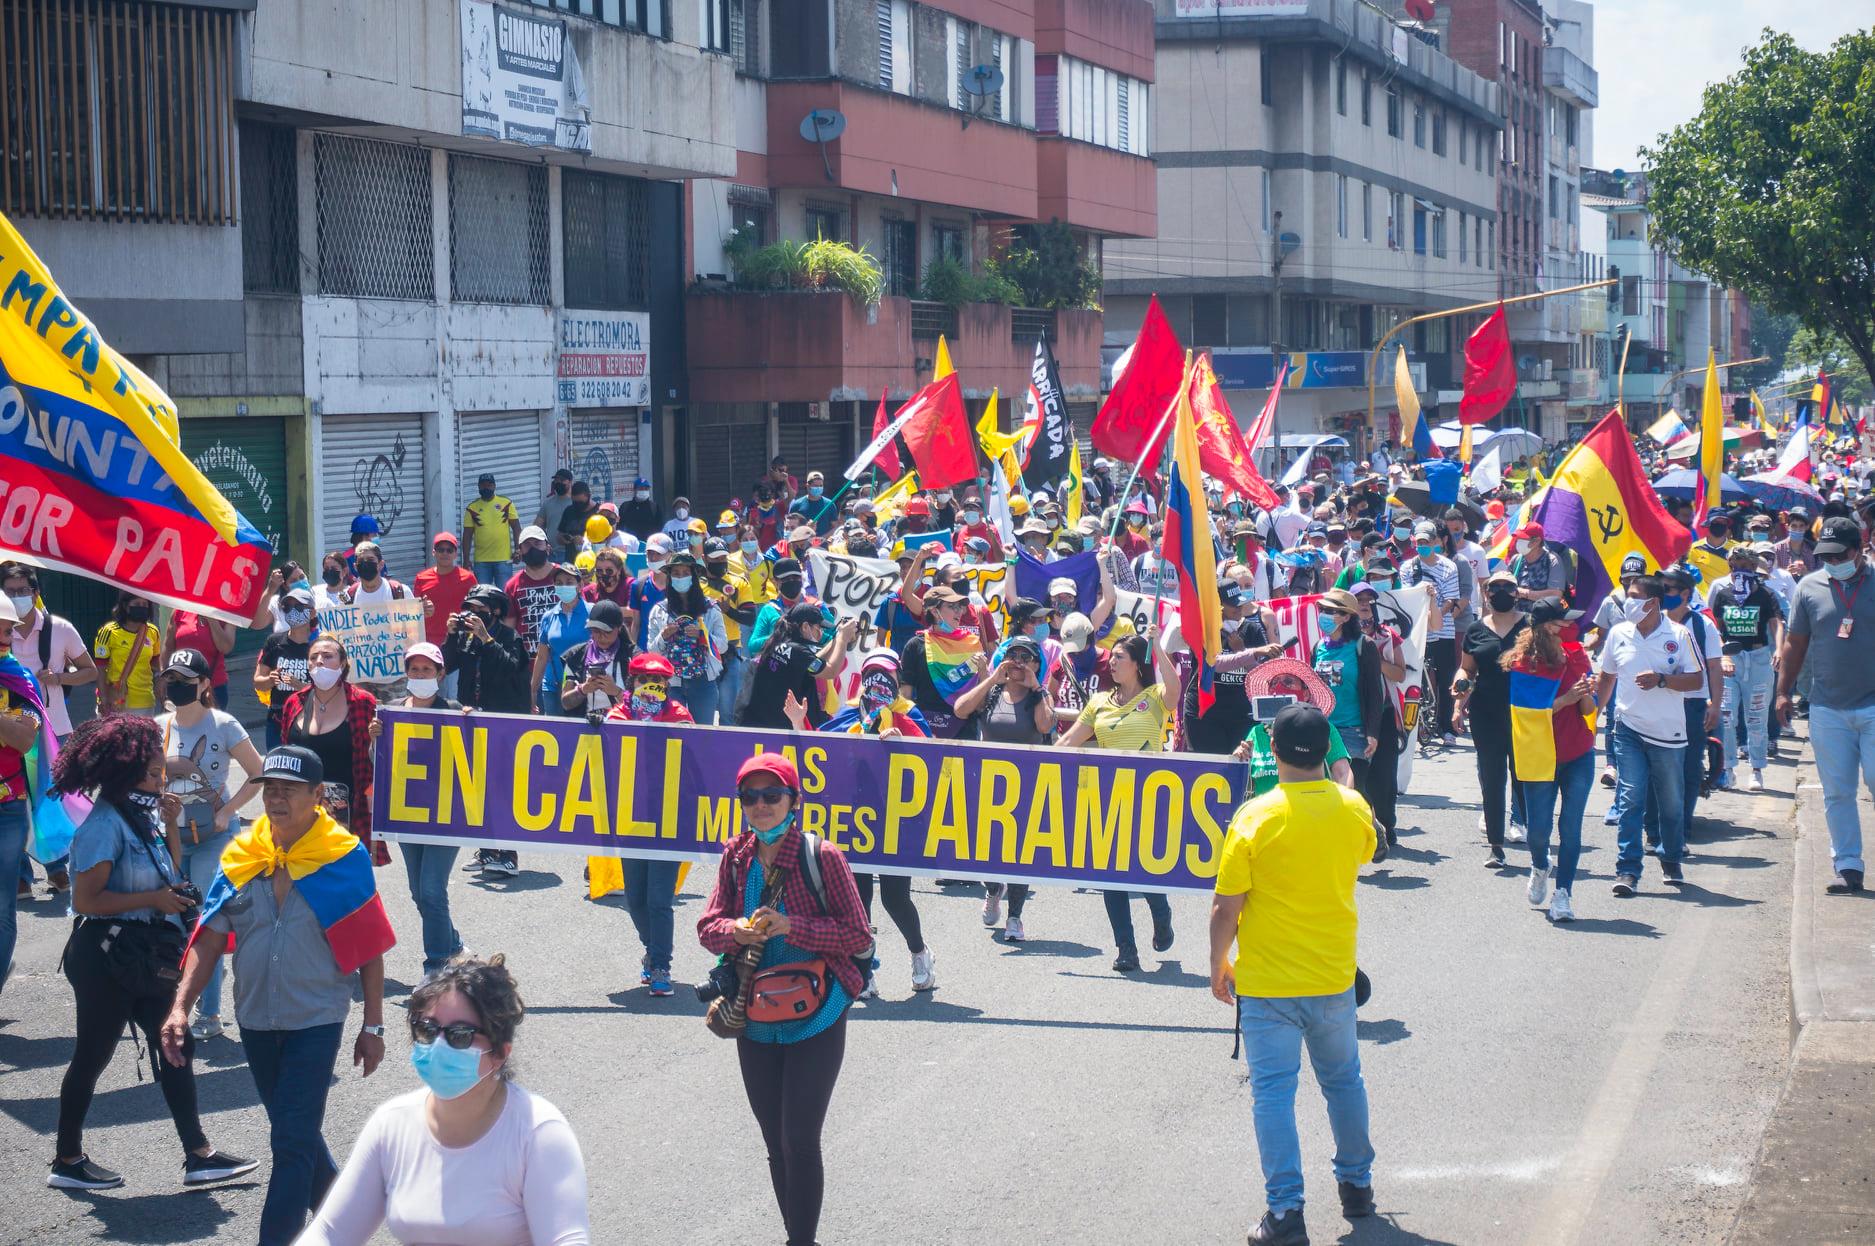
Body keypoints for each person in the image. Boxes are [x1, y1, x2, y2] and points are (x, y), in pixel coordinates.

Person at [161, 745, 392, 1245]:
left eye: (290, 789)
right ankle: (347, 1226)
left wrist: (372, 1025)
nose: (277, 798)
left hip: (317, 1020)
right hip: (256, 1022)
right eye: (270, 789)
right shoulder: (242, 855)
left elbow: (369, 947)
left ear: (318, 795)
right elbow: (209, 937)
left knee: (289, 1142)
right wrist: (180, 1007)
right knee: (297, 1135)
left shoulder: (343, 856)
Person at [47, 713, 258, 1192]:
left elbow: (170, 875)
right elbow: (86, 900)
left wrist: (172, 829)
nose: (161, 780)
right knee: (92, 1056)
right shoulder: (104, 824)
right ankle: (67, 1159)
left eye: (162, 771)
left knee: (175, 1041)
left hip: (140, 956)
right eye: (152, 773)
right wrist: (153, 900)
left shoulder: (140, 817)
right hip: (106, 957)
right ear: (124, 774)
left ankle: (198, 1156)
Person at [1210, 704, 1377, 1246]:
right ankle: (1357, 1184)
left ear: (1273, 751)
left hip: (1268, 983)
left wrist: (1217, 966)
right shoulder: (1353, 808)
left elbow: (1225, 908)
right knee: (1344, 1082)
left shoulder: (1254, 816)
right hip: (1333, 975)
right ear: (1326, 752)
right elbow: (1366, 850)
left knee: (1274, 1096)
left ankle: (1285, 1212)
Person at [697, 753, 873, 1246]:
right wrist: (735, 931)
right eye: (750, 796)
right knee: (775, 1141)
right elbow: (708, 926)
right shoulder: (736, 857)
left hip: (819, 1012)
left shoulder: (823, 857)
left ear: (794, 801)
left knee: (800, 1139)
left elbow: (858, 934)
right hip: (753, 1016)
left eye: (772, 795)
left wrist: (793, 927)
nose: (761, 805)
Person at [295, 955, 590, 1245]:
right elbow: (330, 1232)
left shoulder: (538, 1133)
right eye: (427, 1030)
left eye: (460, 1035)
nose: (438, 1045)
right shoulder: (392, 1125)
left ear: (500, 1053)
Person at [786, 650, 936, 992]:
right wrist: (799, 724)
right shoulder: (850, 712)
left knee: (895, 898)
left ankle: (919, 952)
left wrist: (902, 742)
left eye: (886, 675)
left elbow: (931, 755)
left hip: (894, 820)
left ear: (897, 679)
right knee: (857, 897)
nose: (878, 683)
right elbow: (820, 751)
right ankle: (863, 969)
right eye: (872, 675)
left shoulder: (908, 714)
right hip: (855, 819)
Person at [156, 648, 266, 1041]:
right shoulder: (158, 727)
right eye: (171, 679)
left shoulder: (223, 724)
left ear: (204, 684)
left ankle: (210, 1013)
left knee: (204, 924)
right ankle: (174, 1005)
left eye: (185, 680)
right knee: (171, 923)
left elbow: (258, 773)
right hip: (171, 840)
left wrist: (228, 811)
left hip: (214, 838)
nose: (176, 686)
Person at [1059, 629, 1179, 972]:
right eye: (1110, 656)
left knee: (1143, 869)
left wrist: (1158, 646)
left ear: (1138, 665)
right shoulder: (1098, 702)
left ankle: (1161, 914)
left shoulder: (1155, 697)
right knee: (1110, 875)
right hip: (1107, 799)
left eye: (1119, 657)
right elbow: (1068, 742)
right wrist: (1032, 764)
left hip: (1148, 798)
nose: (1111, 662)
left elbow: (1175, 690)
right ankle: (1126, 948)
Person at [1777, 517, 1874, 893]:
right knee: (1837, 791)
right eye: (1826, 556)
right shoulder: (1809, 586)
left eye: (1839, 556)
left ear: (1858, 550)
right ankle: (1847, 865)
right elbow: (1795, 643)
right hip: (1827, 707)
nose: (1833, 562)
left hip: (1873, 705)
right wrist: (1783, 691)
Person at [1594, 575, 1705, 897]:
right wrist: (1592, 716)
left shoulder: (1679, 635)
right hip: (1628, 729)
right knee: (1630, 800)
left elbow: (1696, 680)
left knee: (1670, 803)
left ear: (1653, 602)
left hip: (1668, 735)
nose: (1628, 601)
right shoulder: (1619, 633)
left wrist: (1662, 680)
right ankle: (1627, 869)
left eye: (1634, 596)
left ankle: (1670, 858)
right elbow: (1606, 677)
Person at [368, 644, 466, 977]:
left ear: (440, 674)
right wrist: (375, 740)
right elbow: (378, 763)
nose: (420, 675)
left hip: (446, 816)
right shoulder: (391, 711)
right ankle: (453, 944)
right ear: (406, 673)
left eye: (427, 670)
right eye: (414, 669)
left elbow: (476, 756)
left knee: (432, 890)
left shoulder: (453, 709)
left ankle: (436, 966)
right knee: (418, 893)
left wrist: (473, 723)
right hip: (408, 815)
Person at [951, 636, 1051, 942]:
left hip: (1026, 787)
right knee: (985, 851)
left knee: (1019, 855)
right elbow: (960, 710)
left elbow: (1045, 726)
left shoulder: (1039, 696)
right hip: (988, 786)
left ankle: (1015, 917)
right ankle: (993, 889)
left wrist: (1037, 687)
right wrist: (992, 678)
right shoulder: (993, 692)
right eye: (1013, 655)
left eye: (1025, 657)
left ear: (1036, 664)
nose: (1018, 662)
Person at [1504, 600, 1596, 923]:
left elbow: (1589, 709)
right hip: (1539, 755)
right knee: (1538, 832)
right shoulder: (1523, 663)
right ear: (1545, 627)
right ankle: (1540, 865)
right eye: (1562, 622)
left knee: (1571, 827)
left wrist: (1585, 693)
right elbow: (1528, 714)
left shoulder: (1577, 655)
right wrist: (1568, 697)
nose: (1569, 627)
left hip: (1578, 753)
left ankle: (1563, 893)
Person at [5, 562, 94, 896]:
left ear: (36, 592)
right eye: (10, 592)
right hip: (10, 733)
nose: (17, 597)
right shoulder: (2, 630)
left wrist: (60, 678)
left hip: (54, 729)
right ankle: (21, 875)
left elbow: (90, 671)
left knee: (53, 800)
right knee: (15, 800)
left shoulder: (60, 629)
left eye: (23, 591)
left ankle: (58, 868)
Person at [278, 636, 383, 861]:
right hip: (301, 812)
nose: (319, 661)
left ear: (342, 663)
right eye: (313, 657)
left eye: (327, 656)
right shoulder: (294, 702)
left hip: (350, 814)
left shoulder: (362, 702)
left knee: (345, 877)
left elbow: (378, 759)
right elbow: (286, 757)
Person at [1453, 571, 1529, 866]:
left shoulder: (1530, 626)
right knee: (1492, 777)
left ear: (1517, 593)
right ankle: (1496, 845)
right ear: (1485, 593)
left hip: (1525, 713)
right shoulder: (1476, 629)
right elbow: (1467, 669)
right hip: (1486, 712)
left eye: (1508, 587)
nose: (1501, 592)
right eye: (1494, 587)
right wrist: (1458, 699)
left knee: (1524, 776)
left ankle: (1527, 828)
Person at [1709, 543, 1785, 792]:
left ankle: (1756, 768)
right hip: (1730, 660)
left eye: (1744, 566)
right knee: (1727, 716)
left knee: (1756, 717)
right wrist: (1722, 653)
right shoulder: (1723, 594)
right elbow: (1714, 628)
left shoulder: (1765, 594)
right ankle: (1727, 768)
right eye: (1734, 566)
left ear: (1753, 567)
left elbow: (1776, 623)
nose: (1738, 571)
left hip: (1758, 658)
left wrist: (1779, 649)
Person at [1233, 661, 1357, 796]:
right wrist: (1239, 758)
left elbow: (1343, 773)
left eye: (1288, 682)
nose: (1279, 687)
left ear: (1306, 694)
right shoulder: (1257, 733)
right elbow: (1241, 780)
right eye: (1273, 683)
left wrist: (1344, 803)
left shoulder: (1319, 727)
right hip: (1269, 809)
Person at [1310, 588, 1389, 793]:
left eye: (1330, 611)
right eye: (1322, 610)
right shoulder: (1318, 647)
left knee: (1353, 792)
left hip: (1353, 731)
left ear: (1346, 617)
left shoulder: (1364, 645)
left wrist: (1372, 732)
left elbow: (1375, 693)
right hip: (1323, 730)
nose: (1324, 615)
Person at [1349, 579, 1408, 851]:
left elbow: (1400, 673)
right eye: (1359, 601)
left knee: (1385, 775)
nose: (1364, 605)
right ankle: (1361, 828)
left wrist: (1374, 656)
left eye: (1368, 601)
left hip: (1383, 713)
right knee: (1356, 776)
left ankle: (1387, 825)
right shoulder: (1342, 640)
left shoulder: (1387, 636)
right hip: (1352, 714)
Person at [741, 605, 857, 731]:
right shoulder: (797, 651)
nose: (821, 633)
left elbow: (813, 661)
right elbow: (831, 671)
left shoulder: (780, 641)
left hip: (757, 720)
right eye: (818, 628)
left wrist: (836, 638)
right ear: (805, 626)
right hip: (776, 725)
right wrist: (842, 639)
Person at [647, 550, 729, 725]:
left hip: (703, 681)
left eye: (685, 573)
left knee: (703, 733)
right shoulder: (659, 611)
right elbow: (651, 651)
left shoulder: (710, 609)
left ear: (694, 576)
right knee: (672, 733)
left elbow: (723, 646)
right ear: (669, 578)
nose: (680, 577)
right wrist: (664, 636)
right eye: (676, 573)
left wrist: (702, 635)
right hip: (670, 682)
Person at [1401, 523, 1462, 743]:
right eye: (1419, 542)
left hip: (1443, 630)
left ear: (1436, 541)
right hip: (1418, 630)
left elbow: (1451, 599)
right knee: (1416, 678)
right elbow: (1407, 595)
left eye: (1426, 542)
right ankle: (1417, 725)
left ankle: (1446, 727)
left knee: (1446, 678)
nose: (1422, 546)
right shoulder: (1408, 567)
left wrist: (1436, 614)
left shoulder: (1448, 566)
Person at [415, 533, 478, 699]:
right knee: (430, 694)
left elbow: (476, 608)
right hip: (430, 644)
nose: (445, 553)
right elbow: (415, 612)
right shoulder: (421, 578)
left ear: (456, 554)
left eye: (449, 550)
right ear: (433, 552)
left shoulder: (468, 578)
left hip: (458, 644)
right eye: (440, 549)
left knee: (453, 695)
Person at [256, 587, 316, 751]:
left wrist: (300, 686)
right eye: (287, 608)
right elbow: (258, 681)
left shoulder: (318, 647)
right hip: (277, 718)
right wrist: (270, 680)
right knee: (276, 764)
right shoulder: (274, 642)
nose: (292, 611)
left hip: (307, 718)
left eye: (299, 607)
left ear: (312, 613)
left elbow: (327, 690)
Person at [528, 563, 590, 716]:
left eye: (569, 582)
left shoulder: (592, 612)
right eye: (559, 583)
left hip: (583, 688)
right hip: (553, 686)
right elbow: (542, 657)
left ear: (580, 585)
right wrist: (533, 691)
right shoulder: (548, 617)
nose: (564, 586)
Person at [562, 600, 635, 723]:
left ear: (619, 628)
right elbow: (565, 703)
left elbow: (645, 706)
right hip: (587, 726)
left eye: (607, 631)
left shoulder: (634, 657)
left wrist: (616, 692)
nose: (601, 637)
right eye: (595, 631)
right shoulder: (575, 656)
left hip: (624, 727)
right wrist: (583, 689)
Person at [94, 592, 161, 716]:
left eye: (145, 604)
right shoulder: (109, 631)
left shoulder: (153, 632)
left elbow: (156, 661)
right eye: (137, 604)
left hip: (144, 702)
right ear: (125, 606)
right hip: (115, 702)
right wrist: (103, 698)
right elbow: (100, 668)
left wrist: (161, 677)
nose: (141, 607)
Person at [503, 526, 562, 656]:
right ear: (520, 551)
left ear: (548, 548)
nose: (532, 549)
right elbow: (509, 627)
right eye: (527, 545)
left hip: (563, 659)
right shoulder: (512, 585)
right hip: (529, 661)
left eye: (537, 543)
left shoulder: (565, 577)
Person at [163, 609, 235, 710]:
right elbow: (168, 648)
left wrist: (212, 619)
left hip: (213, 688)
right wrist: (163, 678)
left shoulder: (226, 613)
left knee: (211, 720)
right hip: (181, 685)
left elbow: (225, 647)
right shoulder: (180, 611)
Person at [463, 474, 521, 586]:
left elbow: (516, 528)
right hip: (481, 561)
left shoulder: (506, 503)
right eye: (483, 485)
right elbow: (467, 535)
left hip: (504, 559)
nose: (486, 487)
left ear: (494, 486)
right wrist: (466, 559)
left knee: (504, 594)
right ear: (478, 487)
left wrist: (518, 549)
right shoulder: (472, 508)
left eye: (489, 485)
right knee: (483, 595)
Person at [1510, 520, 1573, 606]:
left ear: (1537, 541)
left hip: (1544, 613)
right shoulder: (1516, 560)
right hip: (1517, 613)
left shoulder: (1552, 560)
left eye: (1522, 539)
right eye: (1517, 538)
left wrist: (1523, 593)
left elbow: (1555, 595)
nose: (1518, 542)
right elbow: (1506, 586)